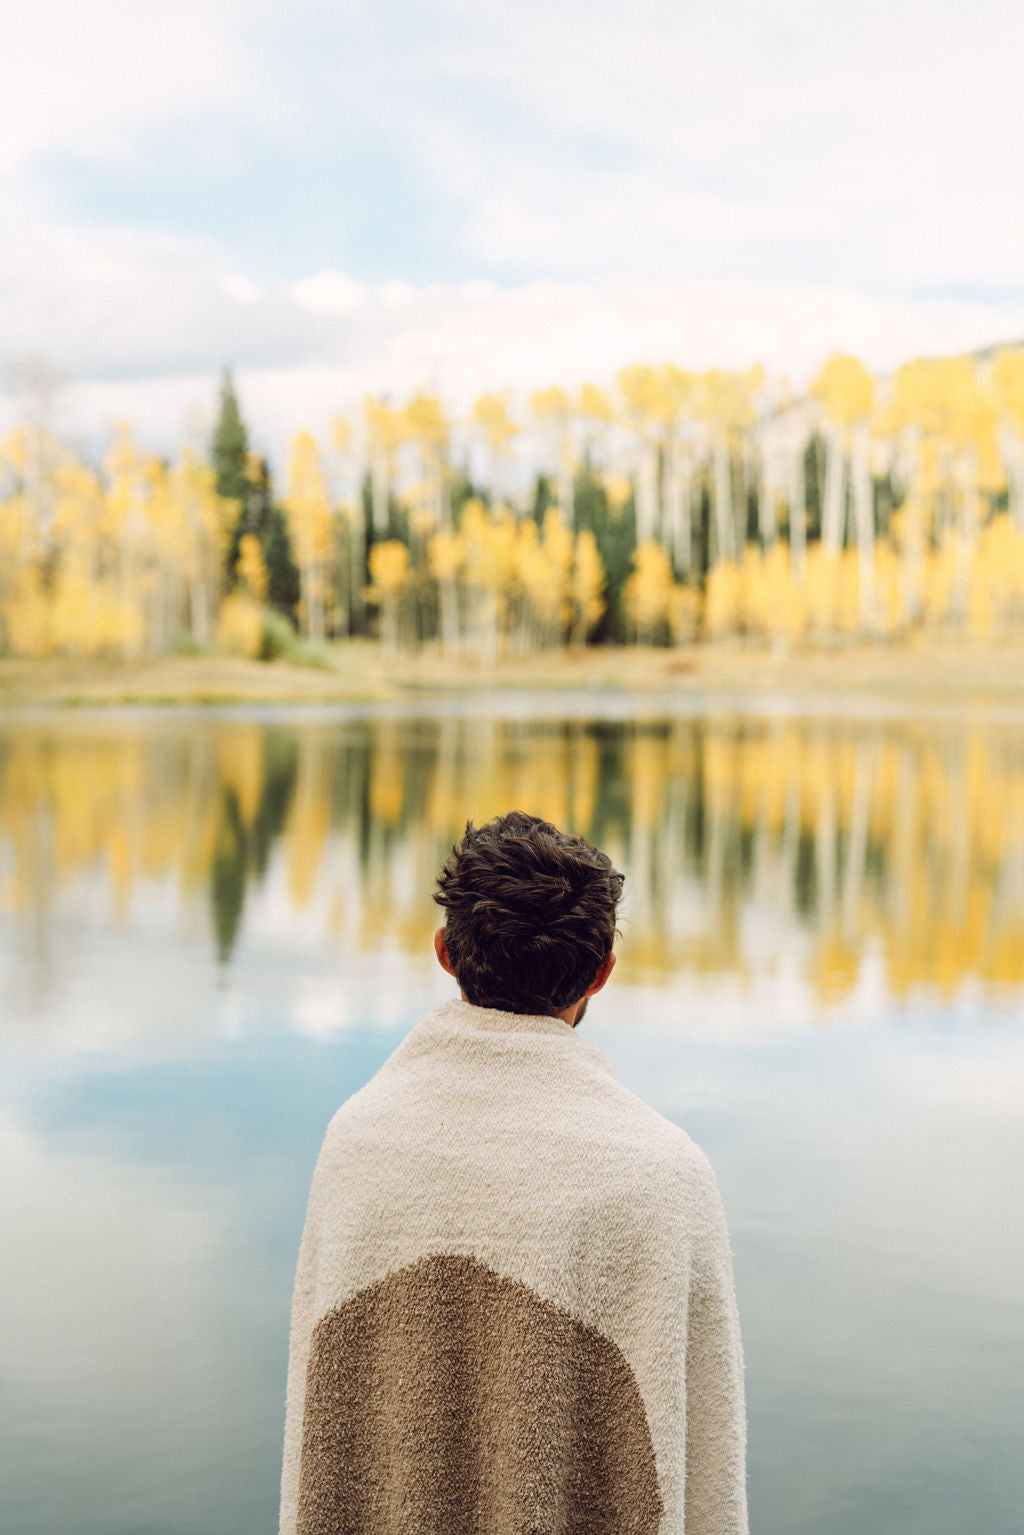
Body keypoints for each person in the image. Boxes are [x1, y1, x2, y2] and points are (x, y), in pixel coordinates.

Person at [280, 811, 747, 1535]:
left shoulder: (358, 1140)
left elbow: (327, 1423)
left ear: (444, 951)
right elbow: (704, 1452)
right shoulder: (665, 1175)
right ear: (602, 971)